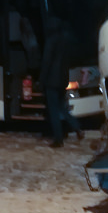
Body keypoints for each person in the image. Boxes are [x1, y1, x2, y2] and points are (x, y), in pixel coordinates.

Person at [39, 15, 82, 147]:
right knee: (63, 108)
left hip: (51, 80)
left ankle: (58, 139)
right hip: (63, 78)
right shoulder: (67, 41)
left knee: (53, 110)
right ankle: (77, 128)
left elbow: (47, 62)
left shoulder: (51, 40)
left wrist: (41, 80)